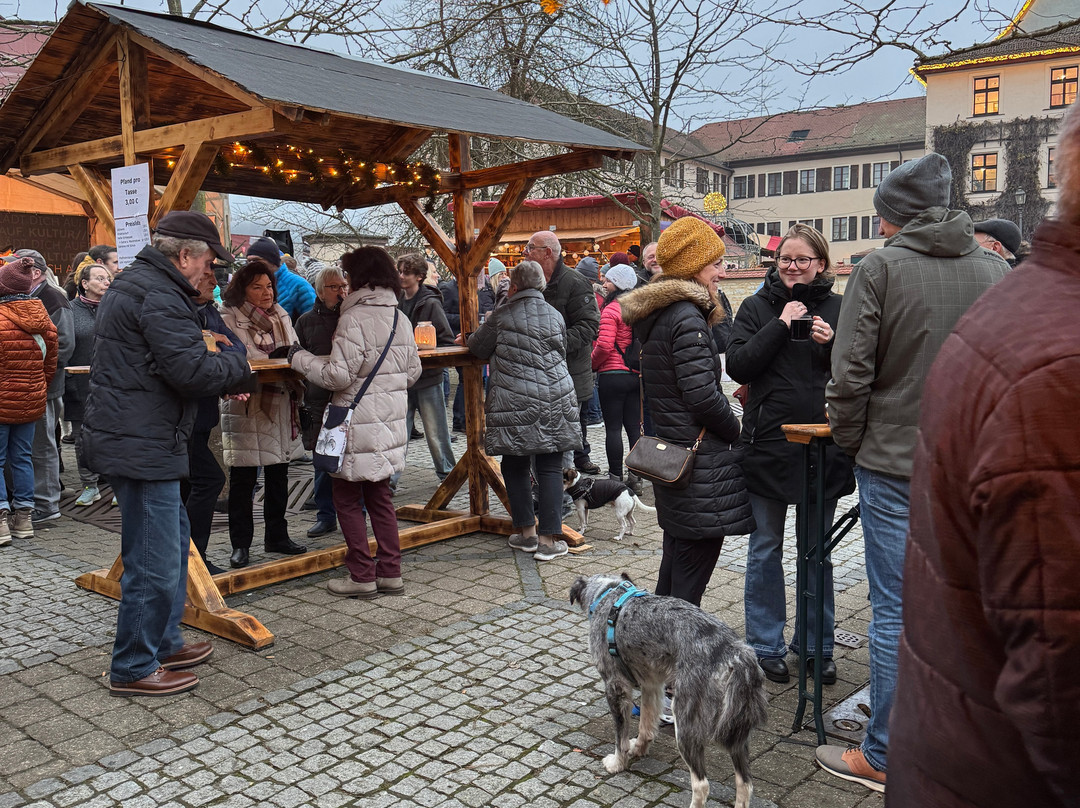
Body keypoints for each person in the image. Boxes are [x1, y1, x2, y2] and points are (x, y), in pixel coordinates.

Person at [888, 105, 1080, 808]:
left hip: (959, 743)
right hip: (995, 769)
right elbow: (1062, 680)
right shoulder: (1052, 350)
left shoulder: (1024, 310)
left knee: (891, 604)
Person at [818, 153, 1009, 790]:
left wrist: (853, 441)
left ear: (890, 214)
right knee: (967, 602)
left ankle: (885, 752)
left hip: (896, 463)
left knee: (896, 608)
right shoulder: (994, 267)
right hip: (973, 464)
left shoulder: (879, 269)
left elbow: (850, 375)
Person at [82, 211, 251, 695]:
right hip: (141, 441)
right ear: (184, 255)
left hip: (145, 437)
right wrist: (238, 364)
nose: (210, 274)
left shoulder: (147, 287)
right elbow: (192, 371)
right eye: (207, 263)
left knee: (172, 546)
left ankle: (164, 639)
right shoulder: (157, 294)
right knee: (154, 557)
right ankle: (133, 664)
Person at [726, 224, 855, 685]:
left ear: (821, 262)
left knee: (816, 552)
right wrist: (779, 326)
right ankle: (765, 643)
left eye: (802, 260)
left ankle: (816, 644)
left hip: (824, 444)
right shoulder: (758, 306)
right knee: (765, 549)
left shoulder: (842, 308)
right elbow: (738, 365)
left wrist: (833, 342)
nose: (792, 267)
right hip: (768, 444)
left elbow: (864, 368)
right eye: (785, 260)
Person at [620, 216, 753, 607]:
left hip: (674, 455)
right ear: (694, 266)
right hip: (698, 464)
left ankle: (653, 646)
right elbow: (702, 397)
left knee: (675, 565)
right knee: (689, 580)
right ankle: (676, 657)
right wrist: (736, 430)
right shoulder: (688, 317)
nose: (722, 273)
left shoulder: (664, 313)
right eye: (716, 264)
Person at [290, 246, 421, 598]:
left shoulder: (354, 318)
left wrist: (299, 358)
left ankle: (362, 574)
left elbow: (337, 376)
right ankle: (390, 572)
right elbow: (413, 373)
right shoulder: (400, 318)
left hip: (353, 422)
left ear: (359, 277)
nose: (344, 284)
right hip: (389, 423)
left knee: (346, 497)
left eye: (347, 276)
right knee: (380, 497)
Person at [466, 260, 581, 561]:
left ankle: (527, 534)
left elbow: (477, 348)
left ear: (513, 286)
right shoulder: (555, 315)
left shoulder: (502, 315)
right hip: (556, 395)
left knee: (515, 465)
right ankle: (549, 540)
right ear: (541, 285)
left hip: (515, 401)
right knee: (550, 467)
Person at [220, 257, 308, 568]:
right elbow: (235, 355)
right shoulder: (228, 317)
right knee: (243, 479)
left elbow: (294, 348)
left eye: (269, 286)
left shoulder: (281, 314)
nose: (266, 292)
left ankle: (277, 537)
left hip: (280, 402)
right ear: (242, 290)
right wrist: (272, 360)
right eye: (257, 287)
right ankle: (240, 544)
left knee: (279, 475)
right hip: (245, 404)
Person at [182, 264, 246, 576]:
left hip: (200, 416)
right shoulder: (178, 311)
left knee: (187, 484)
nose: (213, 280)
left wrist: (225, 378)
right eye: (206, 274)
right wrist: (210, 342)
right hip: (180, 418)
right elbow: (192, 360)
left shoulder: (208, 309)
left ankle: (187, 556)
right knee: (209, 479)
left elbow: (237, 348)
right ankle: (194, 559)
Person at [525, 230, 601, 475]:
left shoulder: (574, 282)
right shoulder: (531, 282)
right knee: (539, 439)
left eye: (530, 247)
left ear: (547, 253)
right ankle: (543, 493)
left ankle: (565, 499)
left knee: (564, 440)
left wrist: (553, 344)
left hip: (568, 377)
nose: (525, 252)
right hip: (537, 377)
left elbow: (589, 326)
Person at [0, 257, 58, 545]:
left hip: (1, 402)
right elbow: (50, 364)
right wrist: (35, 389)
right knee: (23, 457)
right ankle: (23, 518)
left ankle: (0, 520)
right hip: (31, 401)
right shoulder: (44, 319)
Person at [16, 249, 74, 527]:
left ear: (35, 272)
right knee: (27, 446)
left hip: (44, 385)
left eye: (16, 268)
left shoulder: (53, 298)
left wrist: (33, 370)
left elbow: (64, 346)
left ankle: (47, 504)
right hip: (27, 384)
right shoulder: (27, 297)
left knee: (42, 445)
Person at [295, 266, 349, 539]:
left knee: (350, 461)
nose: (341, 291)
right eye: (334, 287)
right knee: (322, 461)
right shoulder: (305, 322)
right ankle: (325, 516)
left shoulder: (352, 318)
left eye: (343, 286)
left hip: (349, 399)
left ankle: (355, 515)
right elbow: (300, 361)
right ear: (319, 291)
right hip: (319, 400)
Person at [393, 253, 455, 486]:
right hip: (401, 376)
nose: (401, 276)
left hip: (427, 377)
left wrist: (426, 347)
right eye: (399, 271)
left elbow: (446, 338)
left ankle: (448, 476)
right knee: (399, 432)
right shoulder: (395, 300)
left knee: (436, 432)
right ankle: (390, 481)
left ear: (419, 276)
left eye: (406, 272)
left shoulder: (430, 302)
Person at [590, 262, 642, 493]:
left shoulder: (611, 310)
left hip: (612, 374)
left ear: (619, 284)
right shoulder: (639, 307)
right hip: (635, 375)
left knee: (613, 428)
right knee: (633, 427)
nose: (604, 283)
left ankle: (615, 479)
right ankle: (637, 477)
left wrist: (593, 364)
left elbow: (604, 346)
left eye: (608, 280)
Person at [63, 262, 112, 507]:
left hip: (113, 385)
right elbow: (64, 347)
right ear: (84, 284)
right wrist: (69, 380)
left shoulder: (115, 309)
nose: (106, 282)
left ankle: (116, 486)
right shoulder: (70, 310)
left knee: (113, 435)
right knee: (83, 438)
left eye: (108, 278)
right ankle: (89, 486)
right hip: (79, 385)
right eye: (100, 278)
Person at [440, 259, 497, 433]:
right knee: (466, 377)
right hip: (456, 340)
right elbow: (443, 317)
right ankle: (460, 420)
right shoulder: (448, 289)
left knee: (474, 378)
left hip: (477, 339)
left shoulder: (482, 289)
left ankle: (468, 419)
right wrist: (465, 319)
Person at [246, 237, 315, 323]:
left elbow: (313, 325)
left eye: (256, 260)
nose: (251, 265)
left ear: (272, 261)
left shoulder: (298, 285)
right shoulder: (248, 285)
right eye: (249, 261)